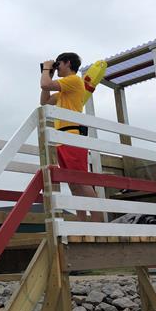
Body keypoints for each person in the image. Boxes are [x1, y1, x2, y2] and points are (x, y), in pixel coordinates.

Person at [40, 52, 103, 222]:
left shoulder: (74, 80)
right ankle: (82, 223)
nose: (57, 67)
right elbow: (44, 101)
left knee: (82, 181)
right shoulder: (65, 89)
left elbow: (45, 84)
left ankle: (98, 223)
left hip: (72, 136)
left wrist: (46, 70)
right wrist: (48, 74)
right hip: (63, 138)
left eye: (58, 64)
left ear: (68, 63)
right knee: (74, 185)